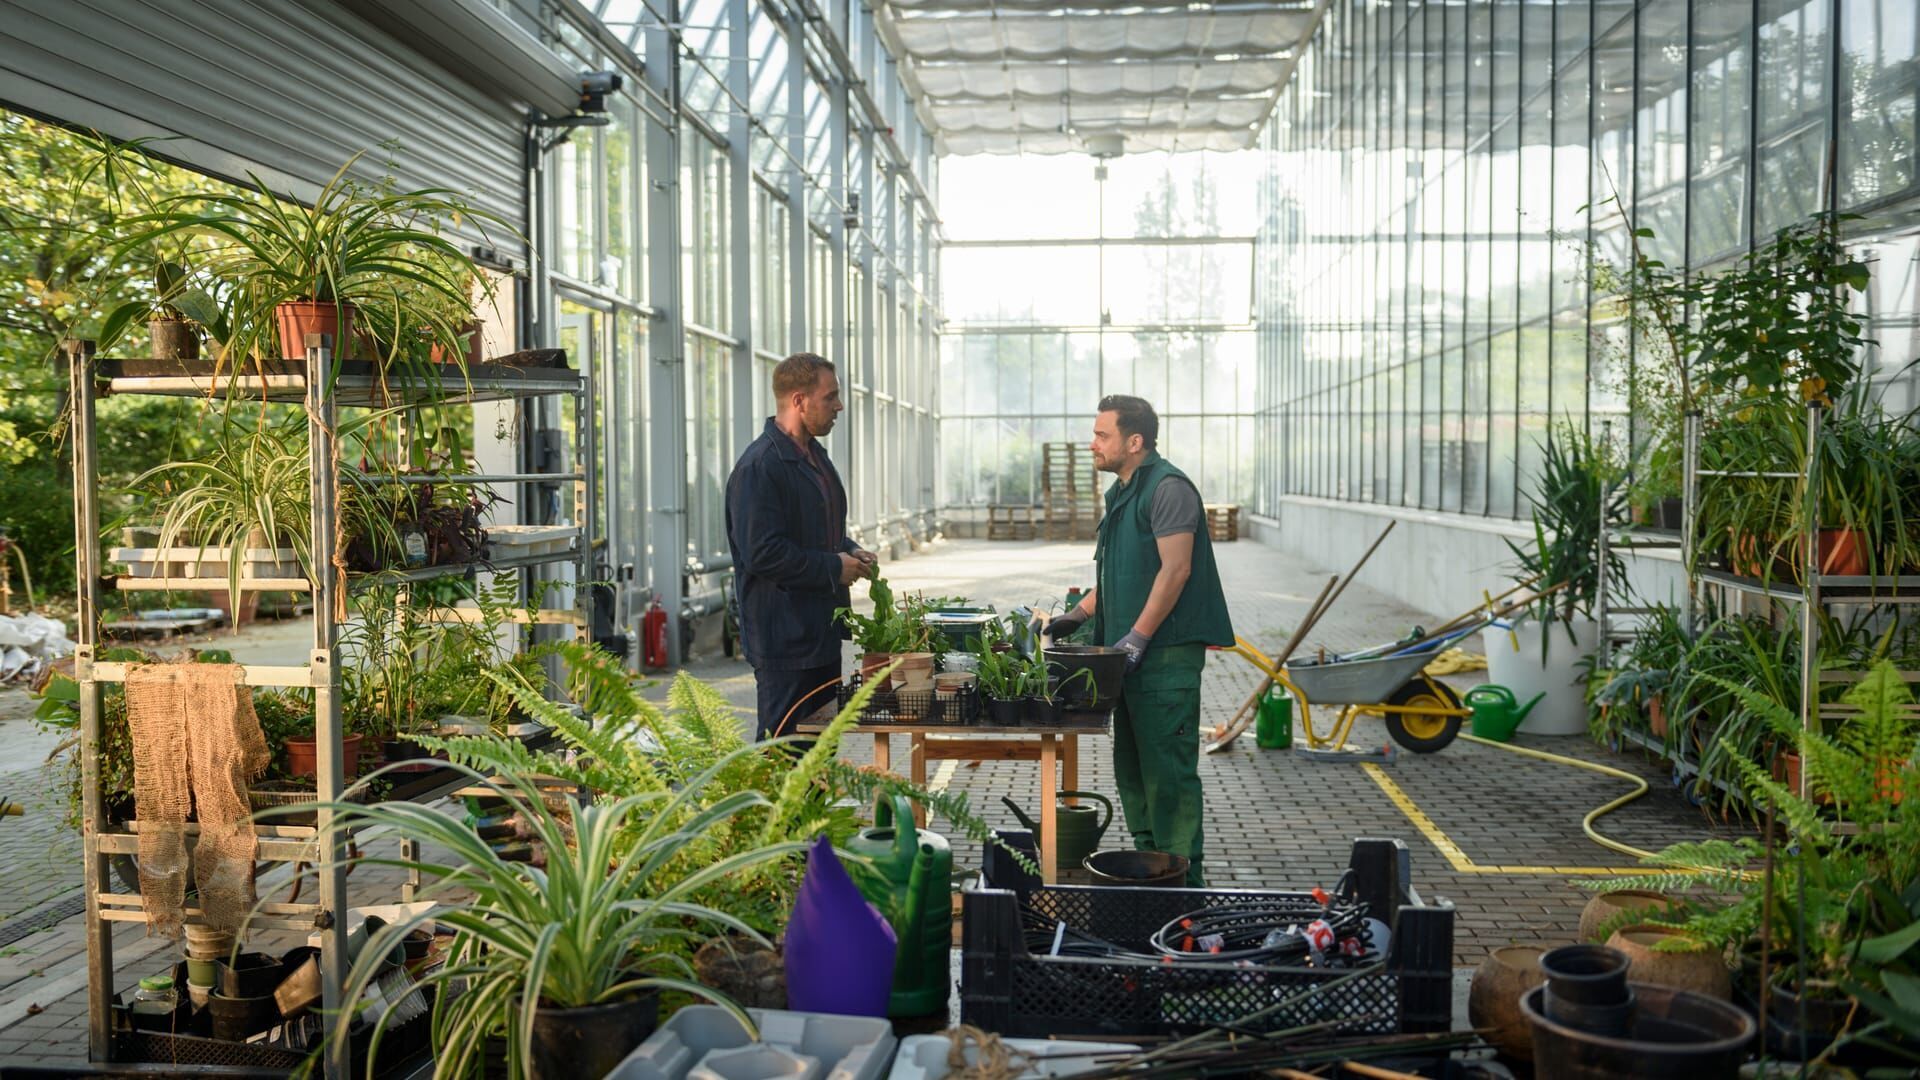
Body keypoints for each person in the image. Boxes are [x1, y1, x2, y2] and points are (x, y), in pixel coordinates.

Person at [1043, 395, 1233, 886]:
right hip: (1128, 660)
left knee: (1168, 778)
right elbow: (1117, 571)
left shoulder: (1168, 489)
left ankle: (1183, 889)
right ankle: (1152, 878)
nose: (1093, 444)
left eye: (1101, 435)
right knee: (1133, 773)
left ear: (1134, 442)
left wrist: (1138, 637)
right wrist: (1076, 615)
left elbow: (1176, 570)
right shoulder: (1122, 493)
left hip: (1164, 660)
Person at [726, 353, 877, 741]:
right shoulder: (760, 467)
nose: (839, 406)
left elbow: (813, 532)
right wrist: (833, 568)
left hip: (822, 635)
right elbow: (762, 553)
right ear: (799, 400)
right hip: (786, 643)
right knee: (784, 752)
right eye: (831, 397)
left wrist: (849, 550)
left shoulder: (814, 457)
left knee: (820, 750)